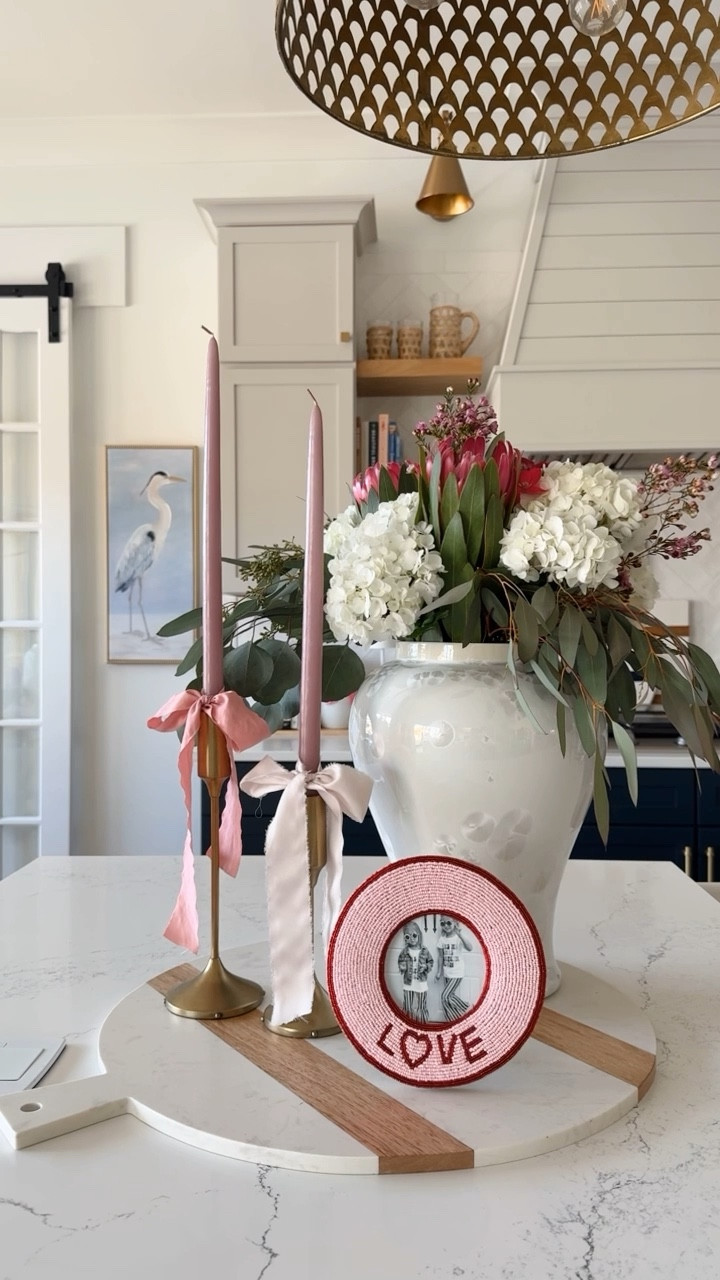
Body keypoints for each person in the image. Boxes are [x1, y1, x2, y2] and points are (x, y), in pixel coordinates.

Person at [435, 915, 473, 1021]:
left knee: (445, 997)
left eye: (448, 923)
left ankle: (465, 1009)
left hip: (457, 972)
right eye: (442, 923)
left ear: (455, 923)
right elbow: (441, 956)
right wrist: (439, 972)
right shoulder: (442, 939)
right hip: (447, 972)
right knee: (449, 998)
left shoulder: (459, 937)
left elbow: (470, 948)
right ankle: (450, 1021)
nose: (445, 926)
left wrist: (460, 934)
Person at [397, 920, 434, 1023]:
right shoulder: (405, 952)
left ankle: (422, 1024)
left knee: (421, 1005)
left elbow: (431, 962)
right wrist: (402, 966)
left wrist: (425, 966)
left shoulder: (424, 950)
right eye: (407, 937)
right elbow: (400, 962)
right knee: (407, 1005)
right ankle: (408, 1024)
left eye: (414, 935)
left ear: (419, 935)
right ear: (405, 939)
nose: (412, 939)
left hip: (421, 982)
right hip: (408, 983)